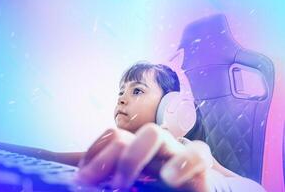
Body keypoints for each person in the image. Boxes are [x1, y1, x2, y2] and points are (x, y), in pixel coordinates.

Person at [76, 62, 266, 191]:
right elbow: (82, 160)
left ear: (170, 106)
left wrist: (208, 183)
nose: (122, 99)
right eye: (120, 92)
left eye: (137, 90)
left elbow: (254, 189)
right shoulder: (119, 152)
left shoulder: (184, 149)